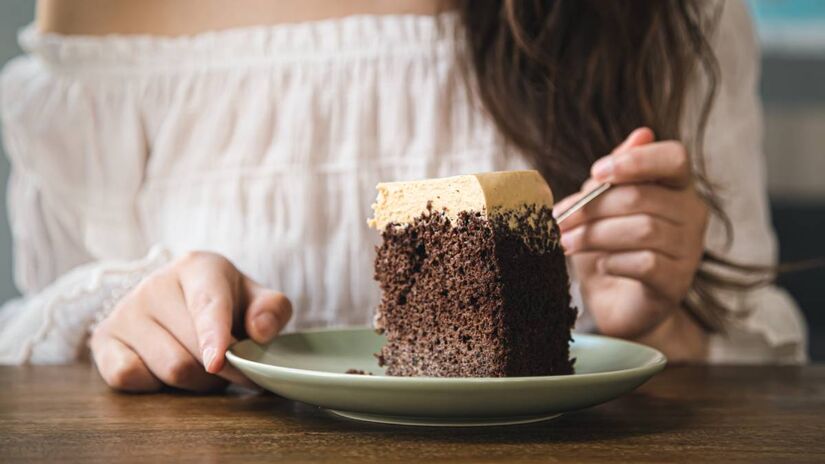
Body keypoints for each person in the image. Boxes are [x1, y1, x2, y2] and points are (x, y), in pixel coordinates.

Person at [0, 0, 807, 392]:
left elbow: (763, 364)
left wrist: (663, 315)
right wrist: (132, 313)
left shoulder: (667, 17)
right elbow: (42, 354)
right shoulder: (108, 13)